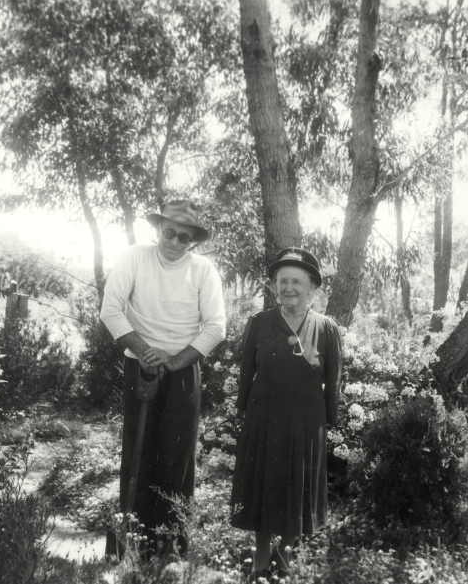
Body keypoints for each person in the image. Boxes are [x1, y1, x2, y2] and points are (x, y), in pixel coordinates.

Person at [100, 199, 226, 556]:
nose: (174, 241)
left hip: (183, 369)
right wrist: (145, 352)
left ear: (193, 241)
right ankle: (129, 545)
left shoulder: (203, 270)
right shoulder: (134, 257)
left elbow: (216, 326)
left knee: (178, 454)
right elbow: (110, 309)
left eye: (183, 237)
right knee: (138, 452)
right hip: (140, 366)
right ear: (159, 229)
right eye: (169, 232)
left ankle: (170, 546)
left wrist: (175, 361)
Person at [230, 247, 342, 578]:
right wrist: (243, 413)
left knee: (297, 490)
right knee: (264, 491)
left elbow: (333, 381)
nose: (288, 287)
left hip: (306, 425)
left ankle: (284, 563)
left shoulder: (327, 328)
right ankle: (260, 564)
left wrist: (328, 423)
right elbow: (245, 373)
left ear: (312, 288)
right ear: (274, 286)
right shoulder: (259, 324)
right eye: (282, 281)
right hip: (263, 421)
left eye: (296, 281)